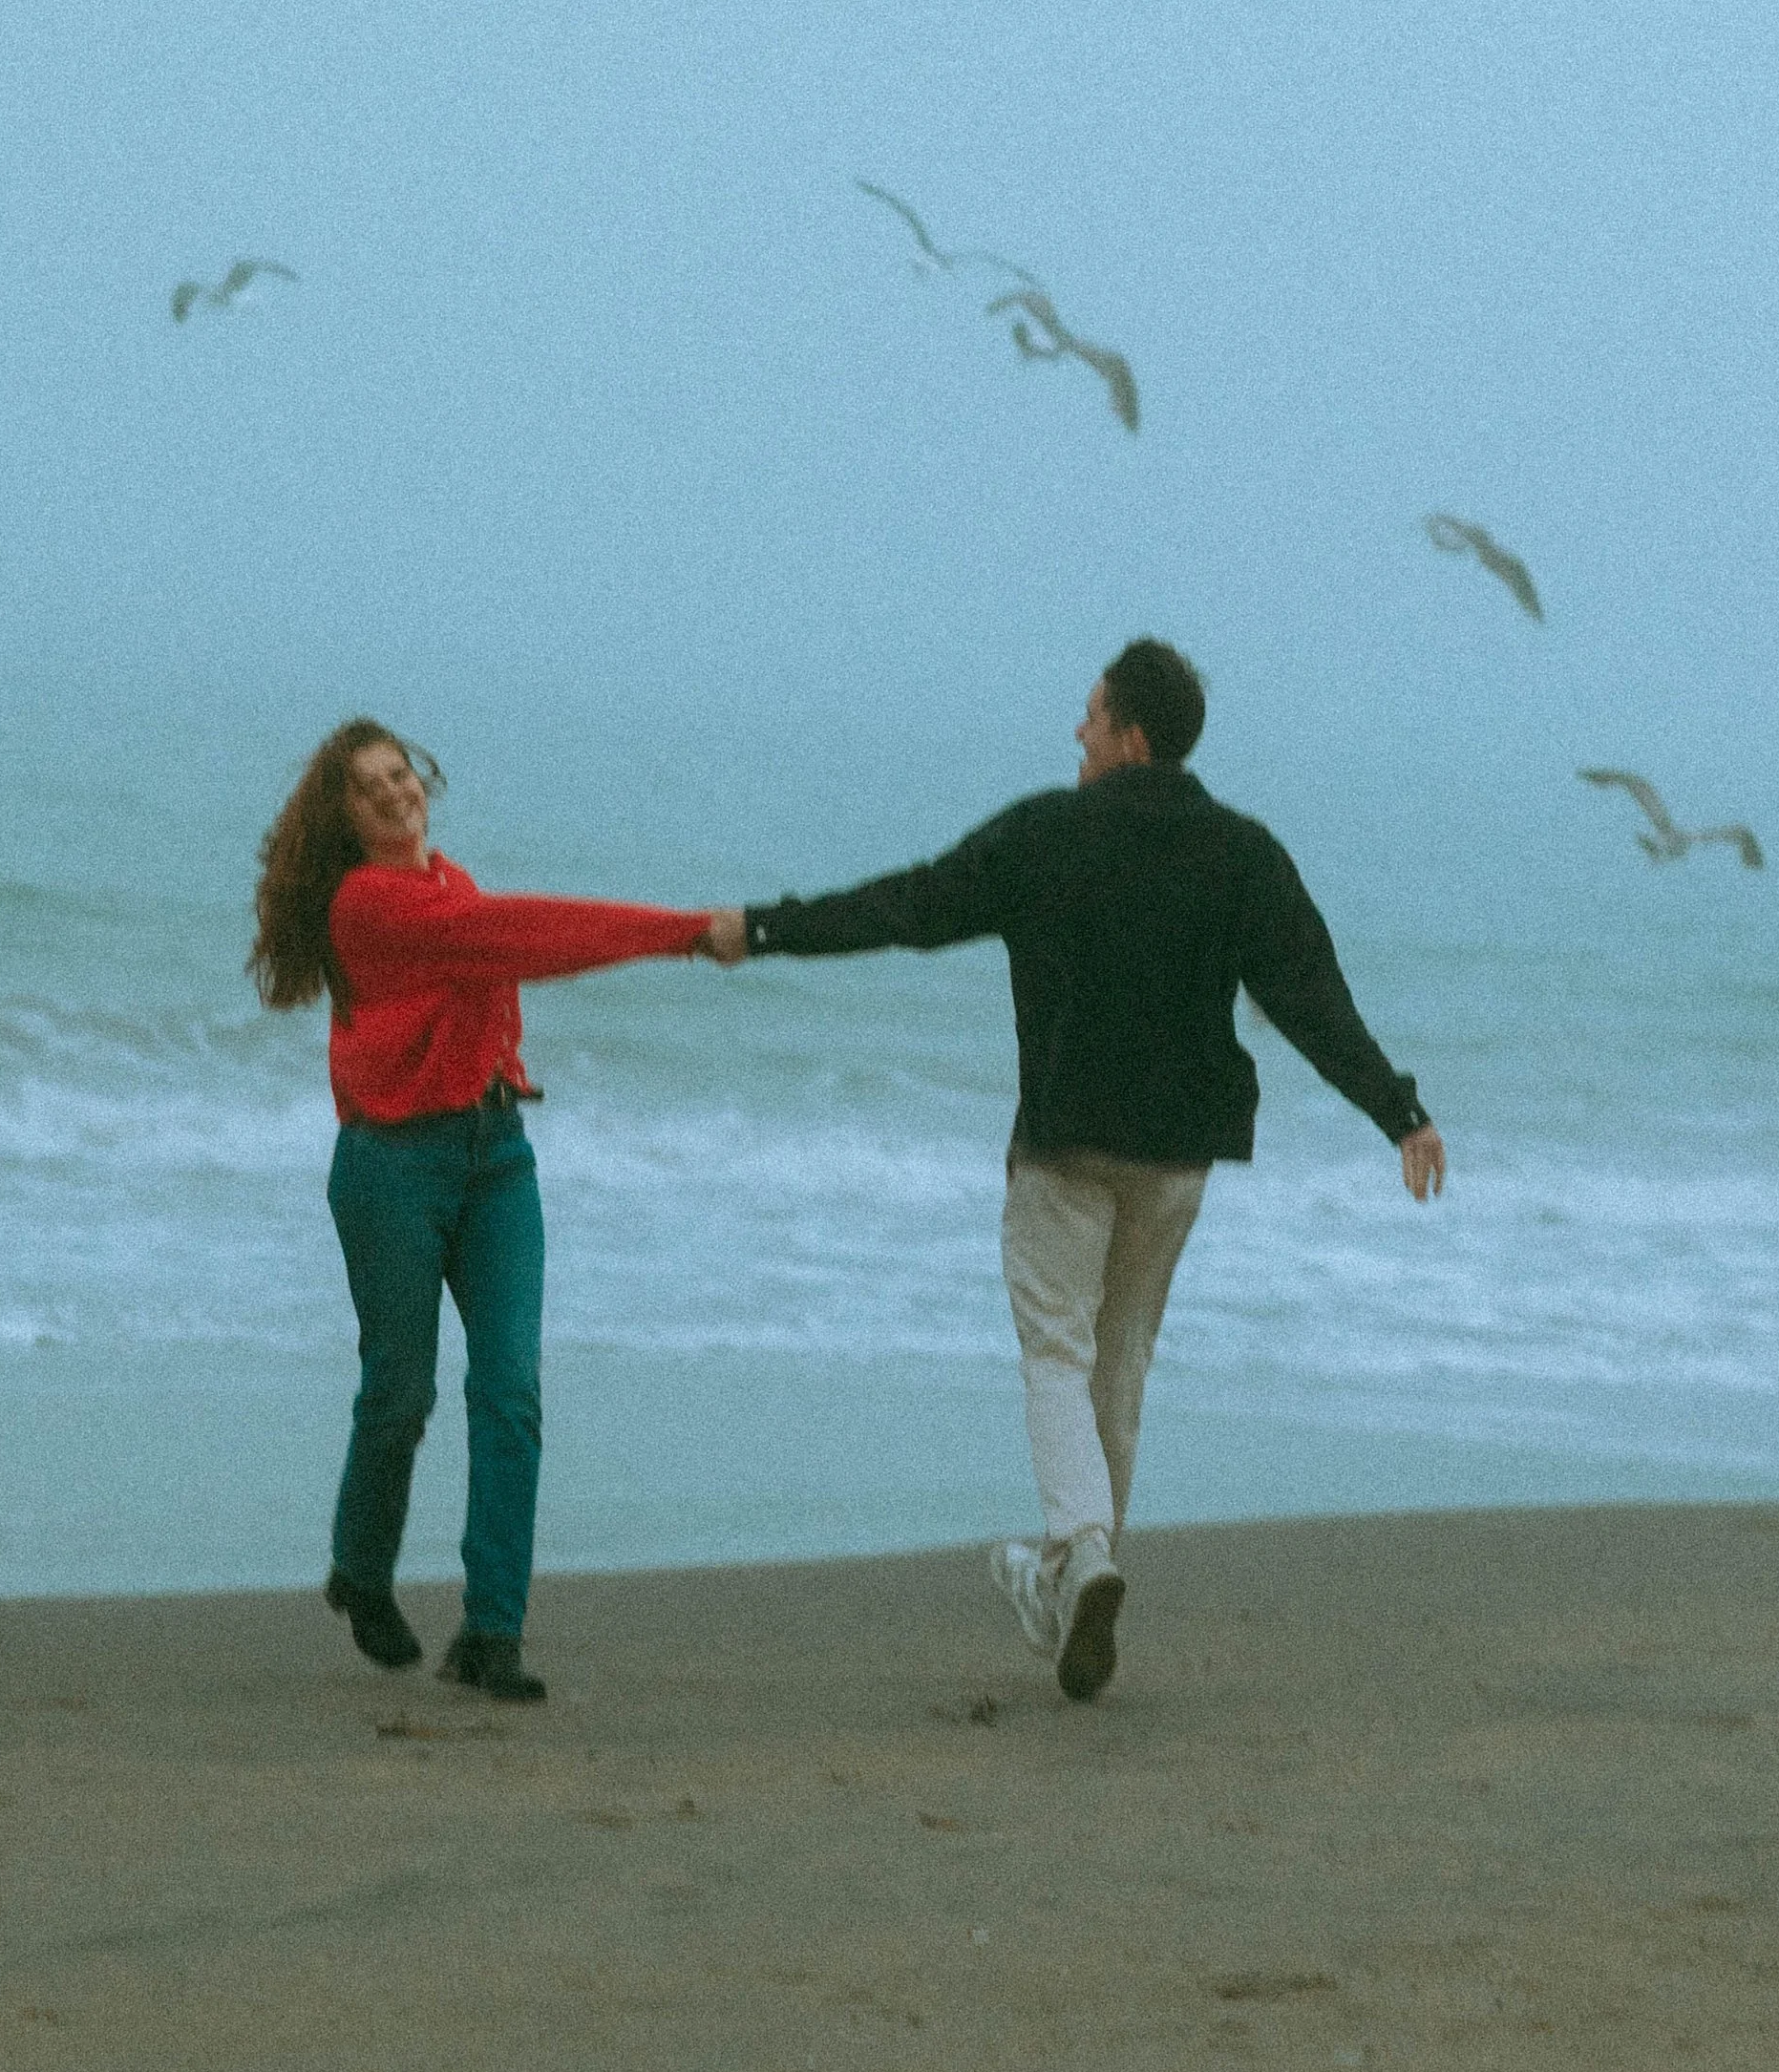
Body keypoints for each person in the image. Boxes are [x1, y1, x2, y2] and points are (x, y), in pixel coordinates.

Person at [703, 641, 1444, 1703]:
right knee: (1122, 1358)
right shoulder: (1241, 851)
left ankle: (1084, 1553)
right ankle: (1069, 1581)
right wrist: (1399, 1112)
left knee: (1056, 1350)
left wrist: (763, 929)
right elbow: (1308, 993)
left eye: (1091, 717)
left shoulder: (1051, 831)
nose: (1077, 734)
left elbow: (912, 907)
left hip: (1065, 1142)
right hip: (1179, 1153)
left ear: (1132, 736)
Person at [251, 719, 714, 1700]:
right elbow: (523, 937)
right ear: (343, 815)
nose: (393, 792)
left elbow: (497, 948)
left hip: (497, 1160)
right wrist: (677, 932)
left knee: (510, 1391)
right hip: (393, 1169)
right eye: (367, 786)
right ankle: (361, 1569)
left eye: (400, 773)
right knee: (401, 1393)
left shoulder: (450, 883)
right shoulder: (367, 905)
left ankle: (491, 1631)